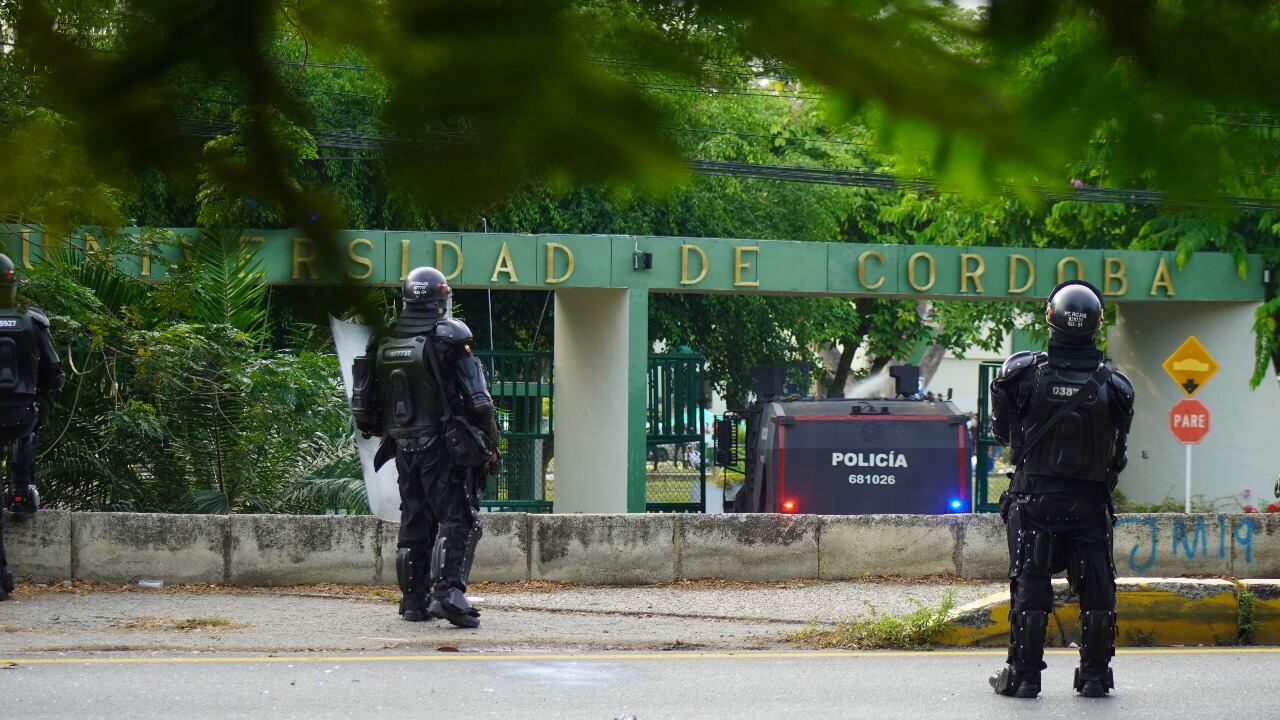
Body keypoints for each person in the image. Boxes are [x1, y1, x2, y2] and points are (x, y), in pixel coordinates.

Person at [987, 280, 1134, 699]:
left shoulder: (1020, 373)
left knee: (1030, 581)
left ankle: (1024, 675)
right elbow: (1118, 457)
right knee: (1098, 585)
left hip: (1034, 498)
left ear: (1048, 317)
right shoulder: (1118, 386)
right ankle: (1094, 676)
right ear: (1098, 323)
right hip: (1089, 501)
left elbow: (1002, 433)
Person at [349, 267, 499, 628]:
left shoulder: (383, 340)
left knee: (414, 517)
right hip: (444, 446)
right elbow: (479, 402)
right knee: (458, 517)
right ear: (441, 299)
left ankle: (413, 600)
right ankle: (448, 593)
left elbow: (366, 407)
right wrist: (492, 441)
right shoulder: (449, 337)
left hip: (403, 447)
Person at [0, 253, 64, 601]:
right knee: (30, 425)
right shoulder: (32, 322)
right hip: (22, 416)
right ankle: (21, 490)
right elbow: (53, 373)